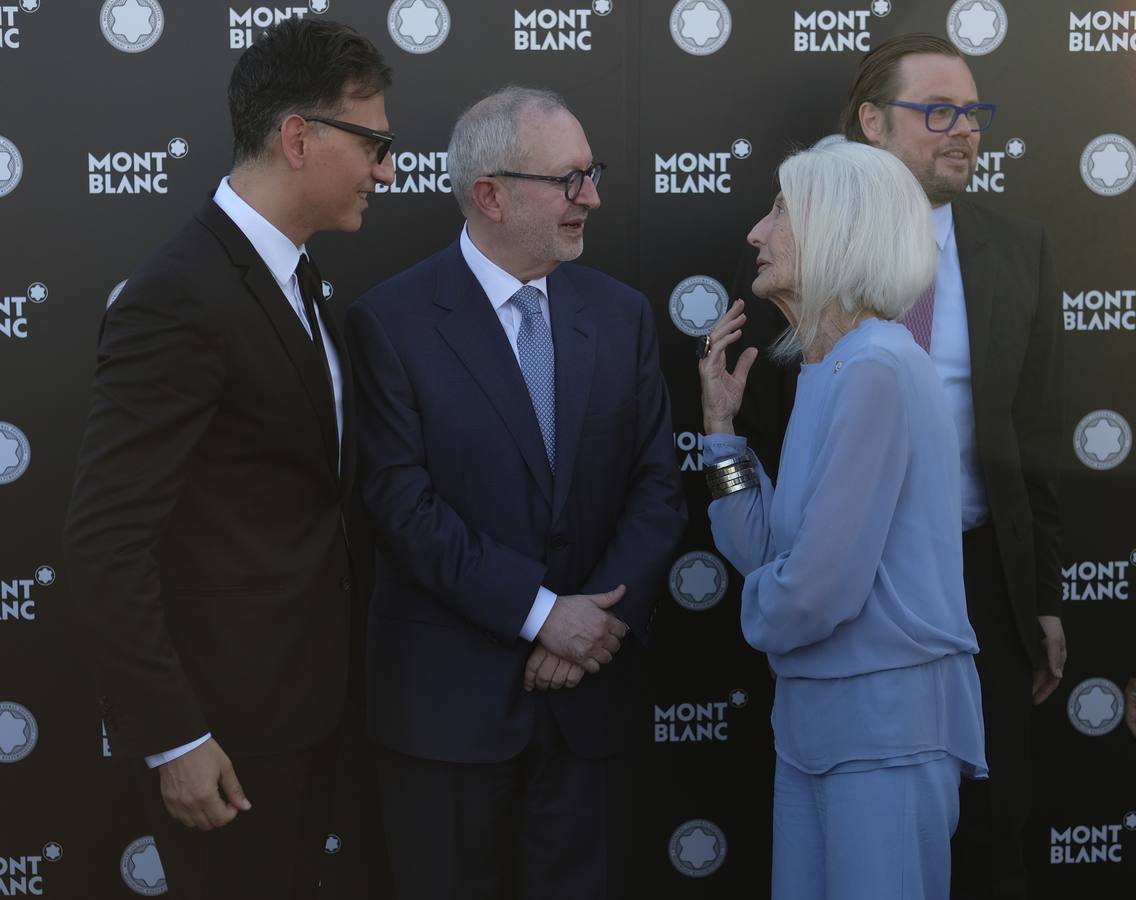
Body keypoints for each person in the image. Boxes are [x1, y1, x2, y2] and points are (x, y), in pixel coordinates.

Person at [64, 19, 393, 900]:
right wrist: (174, 738)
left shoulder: (307, 281)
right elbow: (104, 546)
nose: (389, 169)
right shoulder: (177, 298)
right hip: (228, 747)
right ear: (299, 138)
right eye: (375, 143)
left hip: (319, 717)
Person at [731, 33, 1065, 899]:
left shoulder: (882, 359)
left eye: (974, 113)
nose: (965, 130)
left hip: (932, 644)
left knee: (991, 846)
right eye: (939, 110)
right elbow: (783, 534)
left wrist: (1042, 599)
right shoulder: (819, 353)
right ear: (873, 122)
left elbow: (1032, 442)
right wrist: (722, 443)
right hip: (823, 696)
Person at [346, 86, 686, 900]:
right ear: (490, 195)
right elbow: (401, 506)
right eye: (570, 179)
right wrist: (543, 615)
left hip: (586, 720)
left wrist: (593, 623)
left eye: (591, 173)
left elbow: (656, 486)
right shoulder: (389, 322)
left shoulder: (621, 315)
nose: (593, 198)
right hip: (447, 721)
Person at [699, 141, 987, 900]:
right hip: (815, 731)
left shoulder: (877, 368)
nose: (757, 233)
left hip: (885, 735)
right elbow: (761, 549)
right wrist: (724, 435)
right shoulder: (833, 369)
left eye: (781, 212)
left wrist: (754, 612)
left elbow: (816, 589)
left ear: (842, 230)